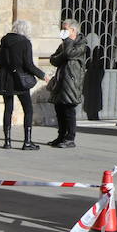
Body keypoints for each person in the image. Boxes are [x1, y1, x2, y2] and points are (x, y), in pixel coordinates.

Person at [0, 20, 45, 151]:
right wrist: (43, 75)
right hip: (20, 80)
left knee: (8, 109)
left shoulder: (5, 40)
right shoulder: (25, 43)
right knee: (28, 109)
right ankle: (27, 142)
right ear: (26, 30)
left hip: (5, 79)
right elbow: (29, 65)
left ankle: (7, 142)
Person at [48, 19, 89, 149]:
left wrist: (67, 43)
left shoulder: (81, 44)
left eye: (65, 29)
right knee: (59, 109)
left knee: (69, 111)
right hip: (61, 81)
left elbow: (70, 54)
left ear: (73, 30)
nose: (63, 31)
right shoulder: (64, 44)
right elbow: (54, 59)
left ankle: (70, 138)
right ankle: (61, 136)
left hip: (72, 82)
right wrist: (62, 54)